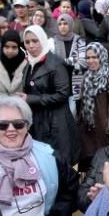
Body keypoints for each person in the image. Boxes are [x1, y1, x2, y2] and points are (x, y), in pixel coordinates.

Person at [21, 24, 81, 167]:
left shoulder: (55, 63)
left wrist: (30, 99)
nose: (31, 45)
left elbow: (63, 94)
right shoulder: (29, 64)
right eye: (27, 42)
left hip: (56, 123)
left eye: (35, 41)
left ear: (42, 40)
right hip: (38, 122)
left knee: (59, 164)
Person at [76, 43, 109, 173]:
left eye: (94, 57)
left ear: (102, 57)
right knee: (91, 169)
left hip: (106, 134)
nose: (91, 61)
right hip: (89, 133)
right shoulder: (86, 77)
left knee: (106, 169)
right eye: (88, 57)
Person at [0, 29, 29, 97]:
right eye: (7, 47)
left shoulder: (27, 65)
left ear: (19, 47)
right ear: (2, 46)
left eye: (14, 47)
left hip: (20, 106)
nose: (10, 51)